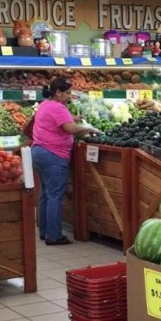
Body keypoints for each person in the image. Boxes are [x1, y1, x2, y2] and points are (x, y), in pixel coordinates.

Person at [24, 77, 95, 245]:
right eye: (68, 93)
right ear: (58, 92)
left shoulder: (45, 104)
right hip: (53, 155)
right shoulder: (58, 107)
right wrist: (88, 129)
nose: (70, 96)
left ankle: (44, 231)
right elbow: (70, 129)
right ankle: (54, 236)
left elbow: (61, 122)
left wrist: (73, 119)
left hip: (39, 152)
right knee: (55, 195)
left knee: (45, 194)